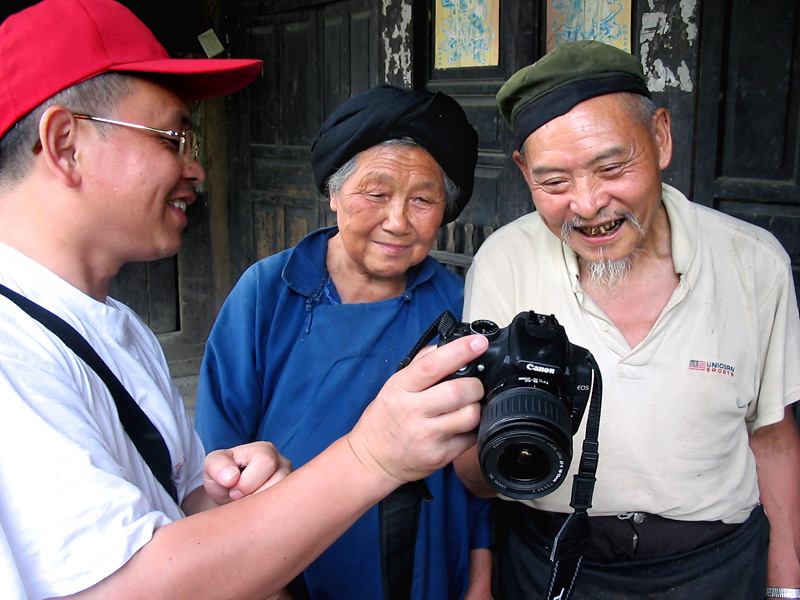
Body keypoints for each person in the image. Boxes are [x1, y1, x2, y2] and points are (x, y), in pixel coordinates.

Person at [0, 1, 491, 599]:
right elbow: (133, 585)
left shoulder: (118, 329)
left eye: (423, 201)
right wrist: (370, 457)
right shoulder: (12, 355)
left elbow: (186, 499)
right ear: (66, 144)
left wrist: (234, 491)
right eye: (173, 137)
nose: (197, 168)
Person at [453, 40, 800, 600]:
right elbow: (476, 469)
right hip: (550, 562)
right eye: (554, 182)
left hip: (717, 565)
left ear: (661, 137)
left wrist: (786, 584)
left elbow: (775, 438)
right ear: (522, 171)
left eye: (612, 167)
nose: (588, 205)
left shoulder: (753, 262)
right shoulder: (504, 261)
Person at [194, 84, 493, 600]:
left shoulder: (461, 306)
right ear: (333, 193)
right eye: (375, 194)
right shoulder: (268, 292)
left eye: (422, 200)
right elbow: (218, 457)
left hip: (426, 569)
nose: (397, 221)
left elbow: (481, 467)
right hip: (286, 570)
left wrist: (481, 583)